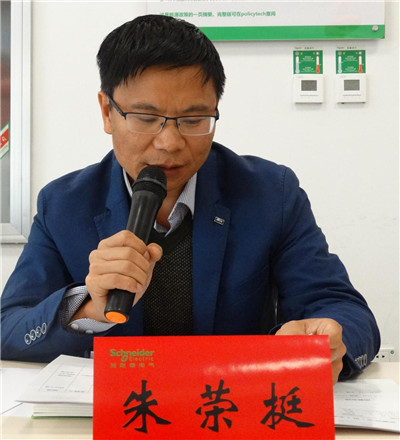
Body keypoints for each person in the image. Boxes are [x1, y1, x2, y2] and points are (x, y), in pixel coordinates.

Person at [1, 14, 379, 384]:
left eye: (194, 120)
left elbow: (342, 308)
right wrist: (89, 308)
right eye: (145, 118)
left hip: (230, 406)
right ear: (107, 112)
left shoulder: (270, 194)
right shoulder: (65, 204)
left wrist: (328, 338)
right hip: (123, 410)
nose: (169, 143)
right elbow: (9, 327)